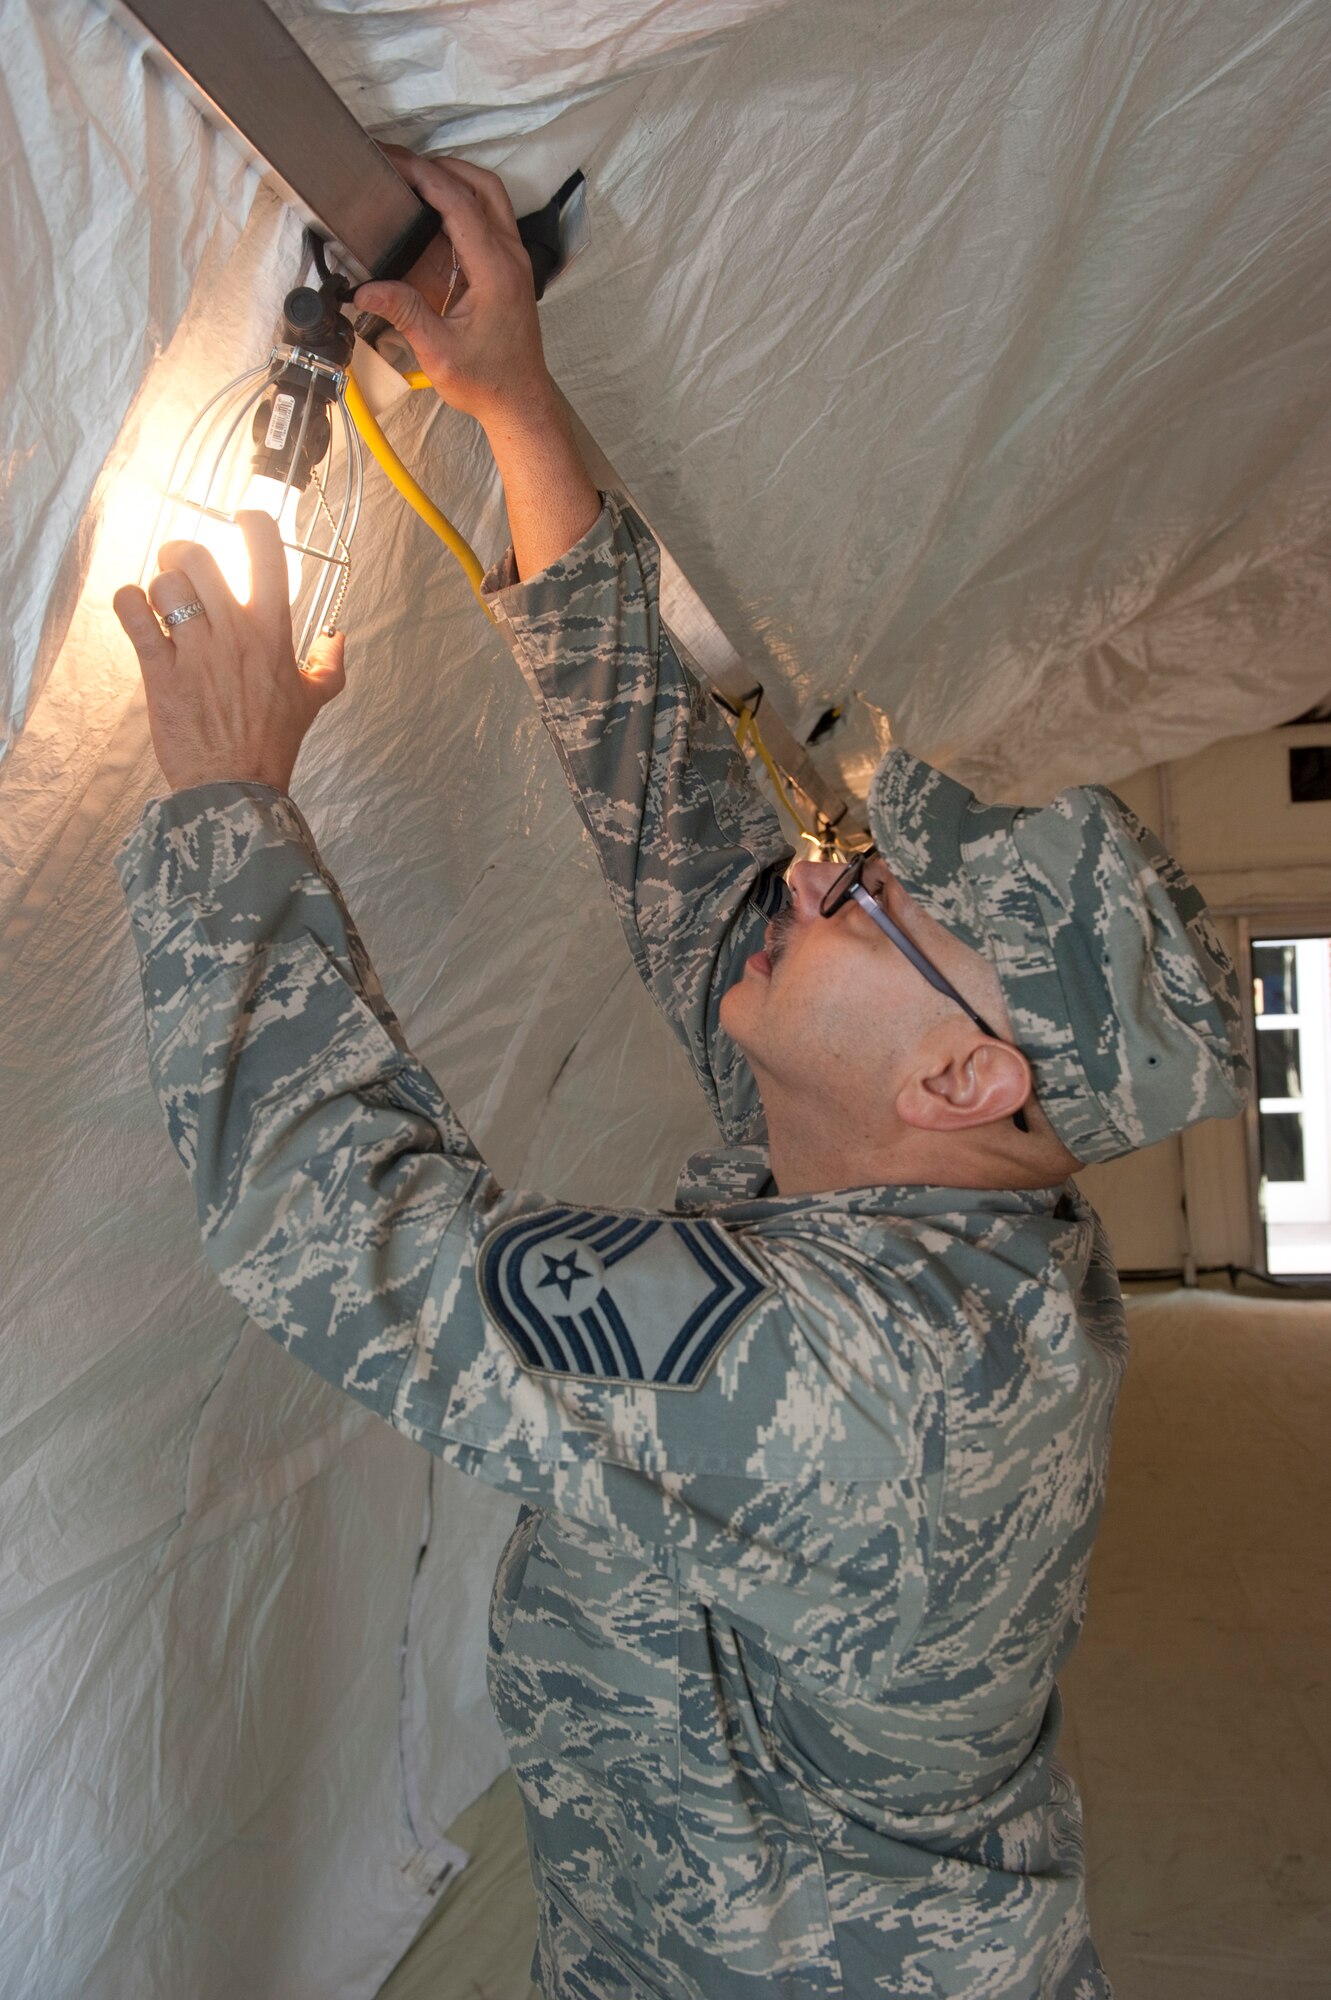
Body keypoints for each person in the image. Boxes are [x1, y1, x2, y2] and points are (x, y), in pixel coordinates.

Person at [112, 154, 1249, 2000]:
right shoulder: (933, 1188)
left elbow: (356, 1240)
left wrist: (227, 805)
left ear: (962, 1075)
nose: (818, 868)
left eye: (872, 895)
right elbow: (687, 844)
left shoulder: (854, 1380)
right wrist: (518, 406)